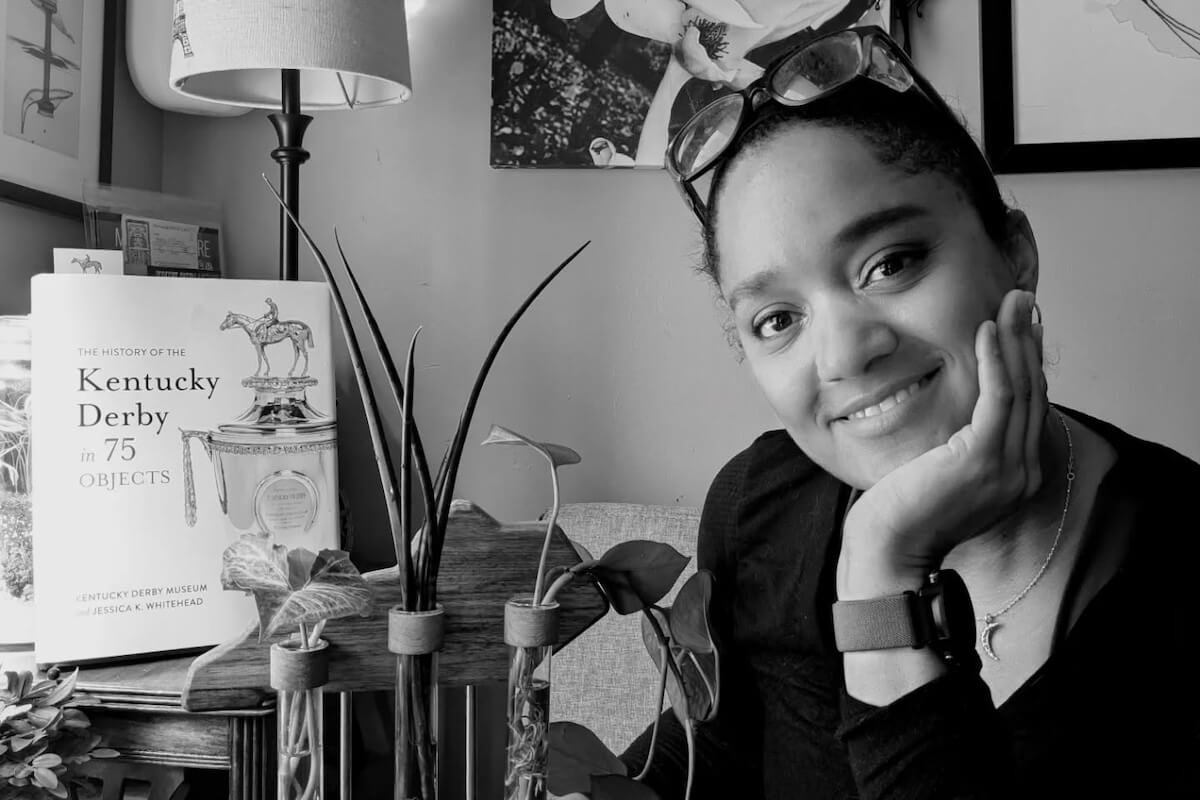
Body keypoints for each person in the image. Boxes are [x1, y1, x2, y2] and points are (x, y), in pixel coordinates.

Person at [618, 25, 1200, 799]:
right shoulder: (760, 508)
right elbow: (709, 763)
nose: (843, 355)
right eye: (777, 319)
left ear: (1015, 254)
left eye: (889, 264)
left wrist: (884, 573)